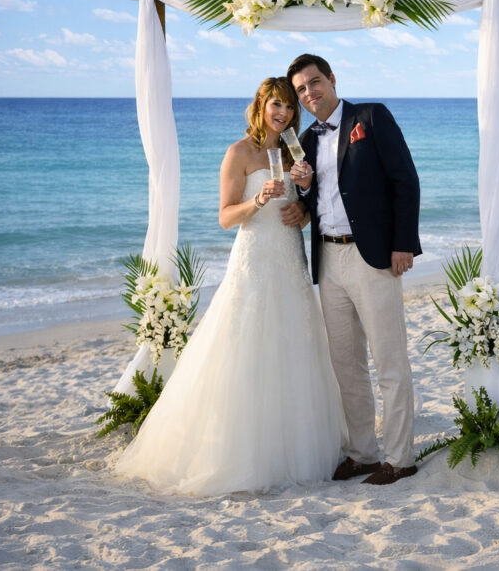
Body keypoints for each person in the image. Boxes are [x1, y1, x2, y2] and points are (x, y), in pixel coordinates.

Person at [115, 77, 343, 495]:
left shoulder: (295, 149)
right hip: (254, 258)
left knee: (295, 343)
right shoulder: (239, 153)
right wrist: (258, 200)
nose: (283, 113)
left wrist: (303, 206)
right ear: (261, 104)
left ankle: (296, 446)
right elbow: (224, 217)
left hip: (290, 258)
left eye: (289, 107)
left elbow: (310, 204)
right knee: (247, 343)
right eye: (276, 104)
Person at [284, 53, 420, 486]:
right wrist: (303, 193)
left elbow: (405, 180)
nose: (309, 93)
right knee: (345, 363)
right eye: (301, 89)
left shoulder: (371, 117)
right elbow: (318, 200)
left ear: (332, 79)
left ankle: (400, 458)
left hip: (373, 256)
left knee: (389, 360)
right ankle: (362, 453)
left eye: (314, 82)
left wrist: (403, 244)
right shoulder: (306, 139)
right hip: (329, 259)